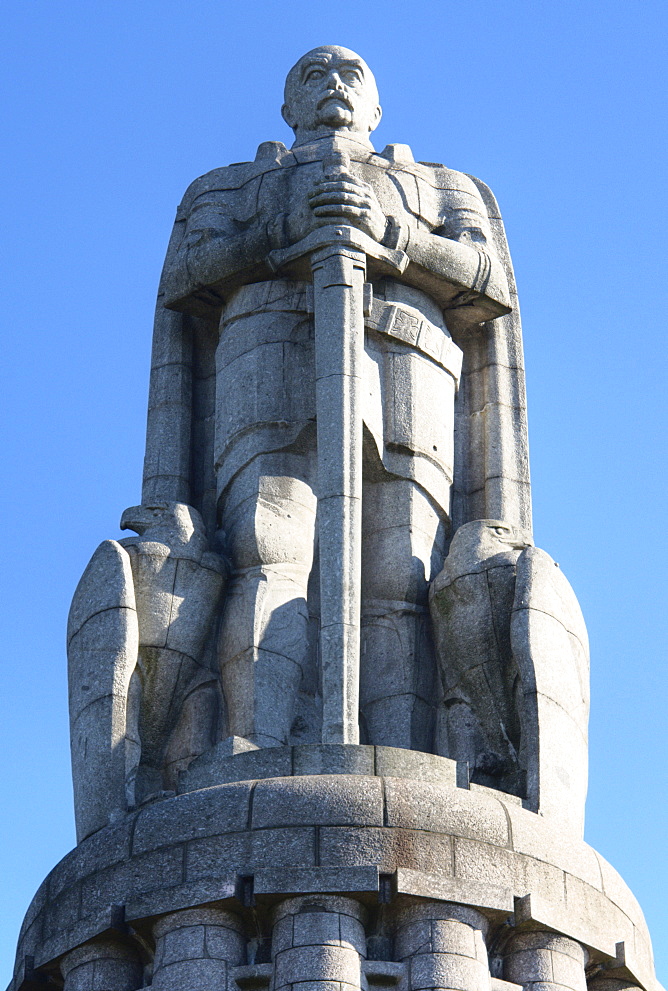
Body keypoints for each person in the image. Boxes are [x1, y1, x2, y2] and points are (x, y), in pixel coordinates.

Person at [147, 45, 526, 752]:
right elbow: (186, 279)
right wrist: (276, 234)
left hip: (409, 375)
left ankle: (400, 752)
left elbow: (489, 279)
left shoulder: (443, 186)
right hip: (267, 372)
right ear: (288, 107)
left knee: (400, 578)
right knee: (271, 551)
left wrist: (394, 235)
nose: (333, 87)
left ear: (376, 107)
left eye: (351, 75)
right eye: (312, 76)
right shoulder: (225, 187)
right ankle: (254, 745)